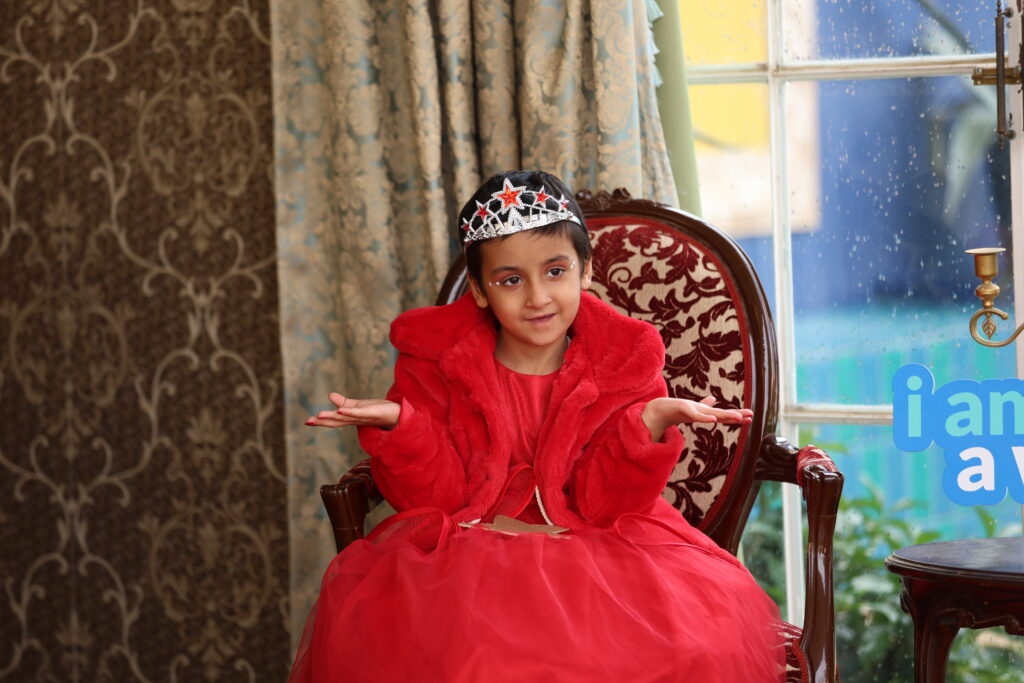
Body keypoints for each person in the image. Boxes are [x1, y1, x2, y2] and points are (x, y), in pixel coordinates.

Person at [291, 170, 783, 682]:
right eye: (510, 280)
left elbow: (604, 504)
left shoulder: (625, 360)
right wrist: (404, 428)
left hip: (598, 548)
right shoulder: (436, 362)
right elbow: (437, 497)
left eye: (555, 271)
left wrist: (646, 424)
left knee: (684, 649)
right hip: (469, 550)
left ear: (585, 271)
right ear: (480, 291)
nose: (537, 297)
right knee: (466, 659)